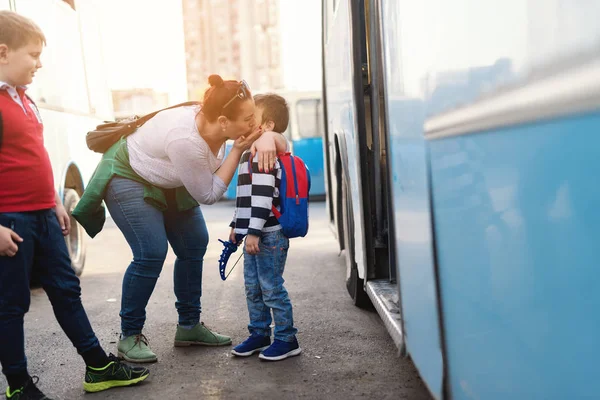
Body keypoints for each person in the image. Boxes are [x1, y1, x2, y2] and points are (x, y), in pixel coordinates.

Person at [72, 75, 289, 363]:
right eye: (249, 119)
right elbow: (208, 194)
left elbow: (276, 136)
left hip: (170, 178)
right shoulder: (186, 139)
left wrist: (268, 138)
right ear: (224, 122)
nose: (254, 125)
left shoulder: (221, 121)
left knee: (194, 242)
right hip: (130, 175)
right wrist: (237, 150)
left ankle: (189, 326)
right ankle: (129, 335)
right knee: (151, 252)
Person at [0, 10, 149, 399]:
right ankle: (18, 386)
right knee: (11, 306)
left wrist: (53, 200)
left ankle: (97, 366)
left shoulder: (23, 99)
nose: (39, 63)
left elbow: (33, 155)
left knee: (66, 290)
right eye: (32, 55)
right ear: (2, 52)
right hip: (10, 220)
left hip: (43, 215)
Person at [229, 93, 302, 361]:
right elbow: (245, 194)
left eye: (252, 118)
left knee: (270, 287)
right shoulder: (251, 152)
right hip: (255, 233)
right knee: (253, 287)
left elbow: (262, 197)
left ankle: (286, 338)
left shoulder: (264, 153)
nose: (246, 123)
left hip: (268, 234)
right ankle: (259, 333)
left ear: (268, 125)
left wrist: (253, 231)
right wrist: (237, 225)